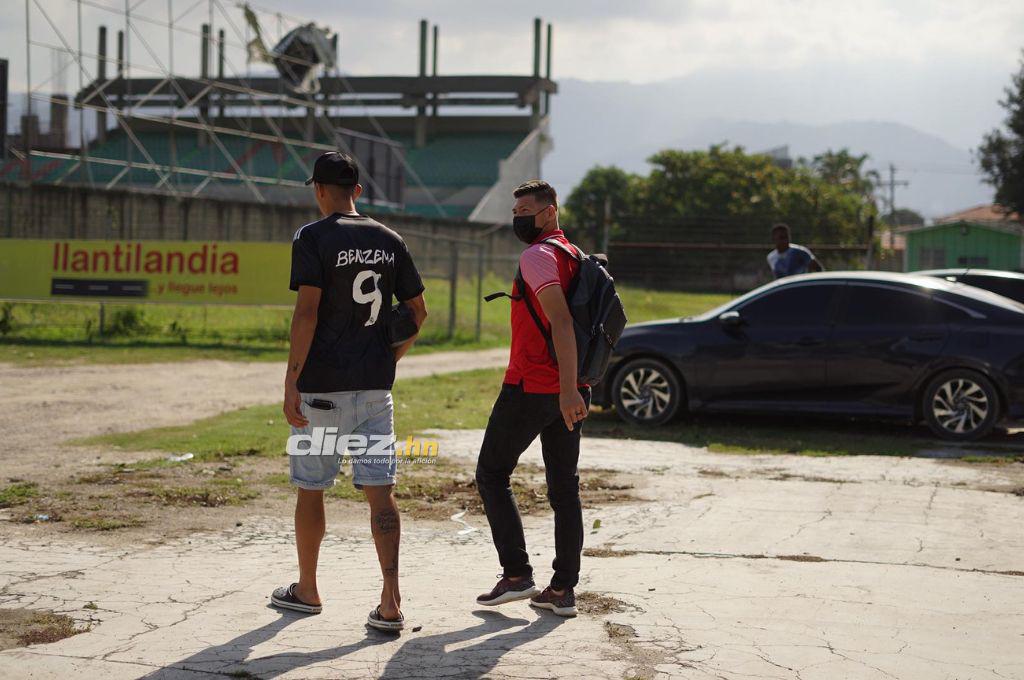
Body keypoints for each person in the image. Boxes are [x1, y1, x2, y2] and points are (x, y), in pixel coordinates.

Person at [272, 152, 427, 632]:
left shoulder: (313, 237)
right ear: (357, 191)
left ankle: (308, 589)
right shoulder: (390, 239)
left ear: (319, 189)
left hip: (322, 392)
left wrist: (291, 379)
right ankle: (390, 602)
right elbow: (418, 313)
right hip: (375, 392)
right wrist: (388, 360)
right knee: (381, 495)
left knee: (311, 488)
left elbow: (307, 313)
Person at [474, 180, 590, 618]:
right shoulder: (573, 254)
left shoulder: (538, 256)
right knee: (564, 488)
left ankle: (517, 574)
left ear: (549, 212)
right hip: (569, 387)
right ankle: (562, 590)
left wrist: (565, 390)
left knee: (491, 473)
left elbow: (561, 322)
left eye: (525, 211)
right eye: (515, 212)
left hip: (533, 386)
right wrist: (573, 387)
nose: (518, 219)